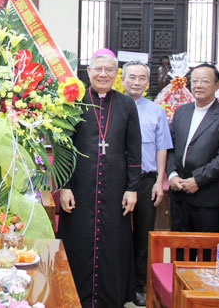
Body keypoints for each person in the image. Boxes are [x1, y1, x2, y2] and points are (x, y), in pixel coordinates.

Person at [57, 48, 142, 308]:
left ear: (116, 74)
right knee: (78, 244)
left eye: (109, 70)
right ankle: (74, 298)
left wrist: (132, 188)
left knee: (112, 246)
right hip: (79, 189)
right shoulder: (74, 100)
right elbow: (62, 146)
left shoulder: (126, 104)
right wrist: (64, 186)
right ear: (89, 72)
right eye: (98, 69)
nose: (103, 74)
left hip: (115, 190)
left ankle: (110, 299)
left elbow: (134, 148)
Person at [167, 64, 219, 257]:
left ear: (216, 86)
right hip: (180, 193)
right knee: (180, 251)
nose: (199, 85)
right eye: (195, 81)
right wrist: (172, 174)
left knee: (207, 254)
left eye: (205, 81)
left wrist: (198, 180)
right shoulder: (181, 112)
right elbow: (171, 148)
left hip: (208, 197)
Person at [121, 61, 173, 307]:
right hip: (118, 181)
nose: (136, 82)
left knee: (143, 233)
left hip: (146, 179)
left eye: (142, 78)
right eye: (132, 77)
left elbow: (162, 147)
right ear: (123, 79)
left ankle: (140, 284)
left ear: (147, 82)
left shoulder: (156, 111)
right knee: (118, 232)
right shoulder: (114, 106)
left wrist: (159, 181)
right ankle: (119, 282)